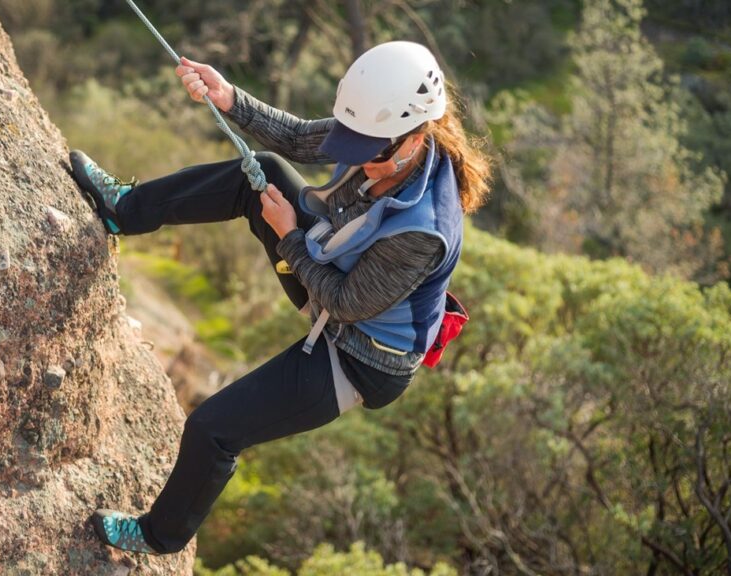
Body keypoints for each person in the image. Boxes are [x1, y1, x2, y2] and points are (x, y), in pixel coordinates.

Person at [71, 41, 491, 555]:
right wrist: (229, 98)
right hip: (330, 272)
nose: (360, 159)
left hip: (359, 357)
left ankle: (160, 537)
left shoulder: (425, 229)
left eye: (372, 152)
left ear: (414, 136)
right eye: (354, 143)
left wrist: (289, 235)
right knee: (262, 171)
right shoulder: (377, 139)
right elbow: (297, 138)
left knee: (212, 428)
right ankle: (126, 210)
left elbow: (344, 303)